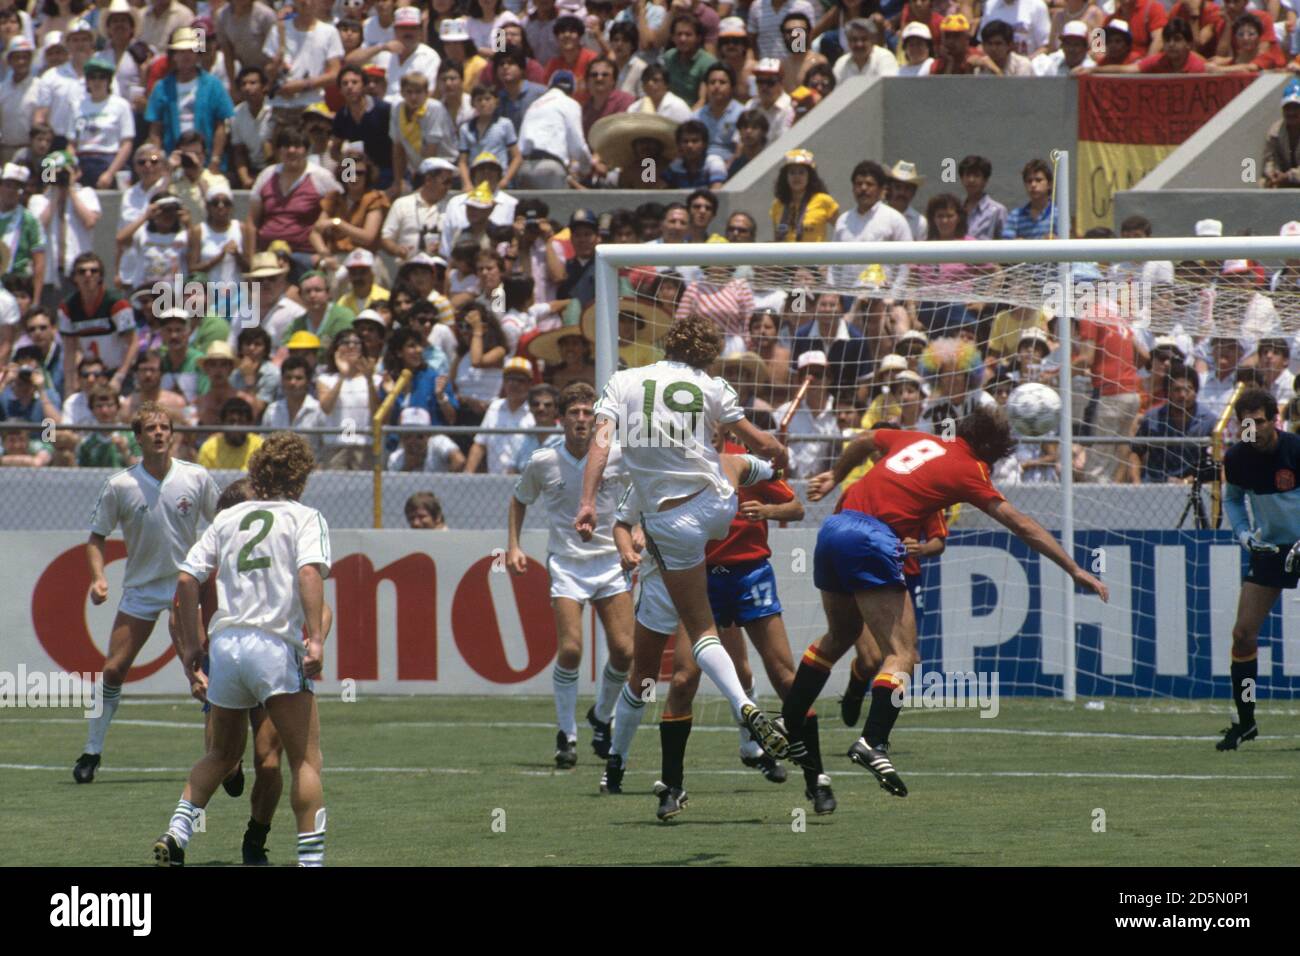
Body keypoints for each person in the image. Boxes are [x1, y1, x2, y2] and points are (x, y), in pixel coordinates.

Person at [796, 408, 1107, 797]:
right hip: (873, 541)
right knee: (903, 656)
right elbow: (1021, 523)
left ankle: (791, 717)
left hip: (833, 529)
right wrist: (1073, 568)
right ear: (992, 452)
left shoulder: (917, 439)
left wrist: (834, 476)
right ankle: (872, 741)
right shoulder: (970, 468)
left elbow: (863, 440)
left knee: (840, 635)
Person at [575, 314, 791, 794]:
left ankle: (743, 711)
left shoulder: (626, 384)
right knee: (652, 672)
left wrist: (587, 501)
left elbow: (602, 444)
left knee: (684, 649)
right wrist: (776, 452)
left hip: (674, 534)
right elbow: (759, 446)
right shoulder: (712, 390)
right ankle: (621, 765)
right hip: (710, 514)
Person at [156, 432, 330, 867]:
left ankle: (177, 832)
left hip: (228, 648)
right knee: (305, 761)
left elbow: (185, 580)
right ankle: (310, 861)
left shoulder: (227, 519)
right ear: (301, 476)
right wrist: (318, 638)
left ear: (256, 472)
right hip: (274, 646)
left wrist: (196, 647)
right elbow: (309, 572)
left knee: (220, 754)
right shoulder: (305, 517)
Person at [72, 402, 220, 785]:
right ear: (137, 437)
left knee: (200, 671)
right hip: (140, 588)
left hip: (185, 586)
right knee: (113, 669)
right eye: (150, 428)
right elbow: (96, 537)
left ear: (172, 434)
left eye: (164, 427)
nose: (158, 433)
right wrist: (98, 578)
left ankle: (224, 758)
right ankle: (91, 751)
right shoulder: (121, 485)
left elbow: (223, 524)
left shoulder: (196, 477)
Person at [507, 381, 635, 768]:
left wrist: (638, 531)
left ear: (598, 420)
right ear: (561, 420)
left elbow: (638, 497)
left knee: (625, 651)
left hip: (611, 562)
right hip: (566, 563)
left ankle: (601, 715)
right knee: (572, 649)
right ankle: (567, 733)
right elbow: (518, 499)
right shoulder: (543, 460)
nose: (582, 420)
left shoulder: (618, 457)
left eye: (588, 414)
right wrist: (513, 545)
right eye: (575, 413)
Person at [1217, 387, 1300, 751]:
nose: (1253, 429)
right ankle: (1246, 722)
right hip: (1269, 549)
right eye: (1245, 423)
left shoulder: (1296, 449)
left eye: (1260, 421)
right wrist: (1243, 534)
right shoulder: (1237, 458)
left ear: (1275, 420)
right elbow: (1233, 499)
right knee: (1243, 634)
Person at [143, 27, 234, 160]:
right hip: (172, 157)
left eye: (191, 51)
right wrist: (159, 159)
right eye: (181, 51)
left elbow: (221, 126)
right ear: (174, 55)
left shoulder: (213, 84)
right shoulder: (161, 87)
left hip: (206, 158)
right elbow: (155, 129)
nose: (186, 56)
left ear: (198, 54)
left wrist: (215, 158)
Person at [1129, 360, 1216, 483]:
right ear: (1168, 392)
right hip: (1154, 485)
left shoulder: (1209, 420)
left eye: (1188, 389)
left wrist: (1190, 480)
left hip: (1194, 486)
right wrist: (1136, 483)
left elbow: (1216, 461)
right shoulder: (1152, 417)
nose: (1182, 395)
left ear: (1195, 392)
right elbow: (1136, 453)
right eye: (1177, 390)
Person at [316, 327, 379, 469]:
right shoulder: (325, 379)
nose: (351, 346)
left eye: (357, 343)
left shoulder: (375, 379)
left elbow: (377, 412)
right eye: (345, 342)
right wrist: (343, 375)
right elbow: (326, 407)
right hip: (336, 444)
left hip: (364, 444)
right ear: (336, 349)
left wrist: (369, 379)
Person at [264, 354, 327, 459]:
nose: (292, 382)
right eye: (288, 378)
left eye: (298, 378)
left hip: (312, 471)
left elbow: (325, 445)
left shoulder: (318, 410)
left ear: (308, 381)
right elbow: (265, 443)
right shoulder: (272, 410)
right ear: (282, 381)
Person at [771, 148, 838, 243]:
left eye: (801, 172)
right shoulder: (777, 204)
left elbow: (841, 231)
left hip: (815, 257)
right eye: (792, 172)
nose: (796, 177)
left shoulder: (824, 201)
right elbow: (776, 240)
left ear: (809, 176)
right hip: (786, 257)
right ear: (785, 177)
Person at [77, 381, 140, 467]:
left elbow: (142, 471)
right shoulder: (87, 442)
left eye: (109, 405)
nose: (104, 411)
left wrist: (126, 452)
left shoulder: (132, 436)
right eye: (99, 406)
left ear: (118, 407)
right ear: (92, 409)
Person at [197, 396, 262, 471]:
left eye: (241, 422)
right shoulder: (209, 448)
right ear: (222, 423)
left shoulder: (259, 446)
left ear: (249, 424)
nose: (235, 427)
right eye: (231, 422)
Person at [1004, 157, 1061, 239]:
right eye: (1029, 181)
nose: (1033, 185)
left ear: (1049, 184)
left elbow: (1067, 245)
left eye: (1038, 180)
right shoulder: (1015, 216)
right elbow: (1005, 245)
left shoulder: (1058, 215)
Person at [1263, 79, 1300, 189]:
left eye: (1296, 108)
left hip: (1292, 178)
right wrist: (1272, 173)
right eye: (1287, 108)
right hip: (1285, 181)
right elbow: (1270, 159)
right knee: (1265, 183)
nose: (1291, 112)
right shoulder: (1275, 131)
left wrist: (1289, 176)